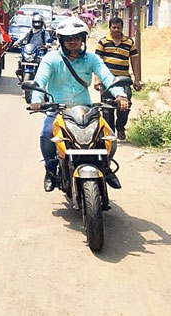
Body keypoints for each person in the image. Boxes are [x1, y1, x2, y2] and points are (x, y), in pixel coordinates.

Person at [30, 17, 130, 192]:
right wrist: (37, 100)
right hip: (57, 110)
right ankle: (51, 170)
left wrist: (120, 95)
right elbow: (40, 80)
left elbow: (107, 77)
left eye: (77, 37)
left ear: (83, 39)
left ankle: (105, 169)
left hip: (85, 110)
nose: (73, 41)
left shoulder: (92, 59)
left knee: (109, 138)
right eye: (68, 38)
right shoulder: (51, 58)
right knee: (46, 135)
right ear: (61, 40)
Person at [93, 16, 143, 140]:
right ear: (110, 28)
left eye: (118, 27)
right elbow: (97, 62)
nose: (116, 30)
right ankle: (110, 133)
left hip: (124, 80)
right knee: (107, 107)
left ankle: (120, 127)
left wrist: (137, 79)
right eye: (113, 27)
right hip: (107, 81)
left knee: (124, 106)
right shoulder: (103, 42)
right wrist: (97, 79)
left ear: (122, 28)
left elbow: (135, 60)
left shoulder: (129, 43)